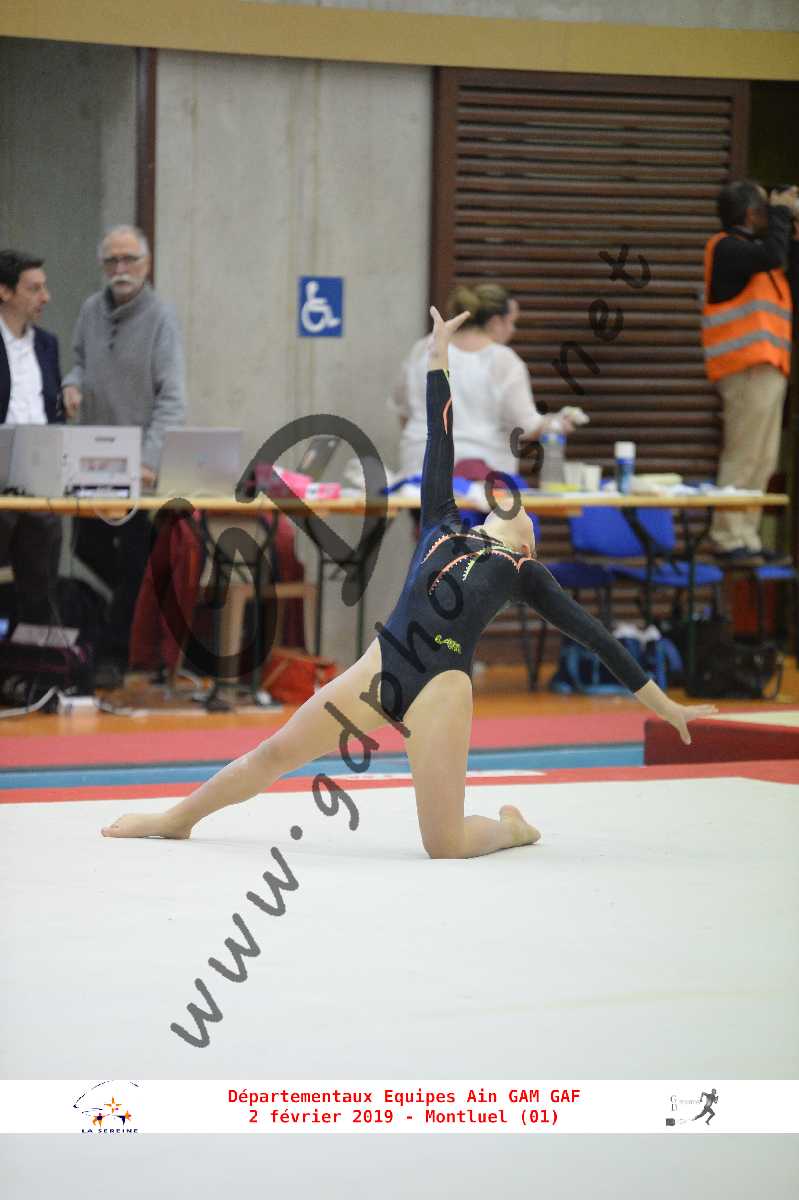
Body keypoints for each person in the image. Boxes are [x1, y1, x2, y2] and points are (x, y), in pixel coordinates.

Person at [102, 308, 716, 856]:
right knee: (275, 753)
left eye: (525, 510)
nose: (515, 502)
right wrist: (438, 354)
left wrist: (665, 706)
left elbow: (598, 639)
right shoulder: (443, 521)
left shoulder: (525, 573)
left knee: (444, 845)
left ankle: (513, 830)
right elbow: (438, 436)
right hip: (381, 666)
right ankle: (177, 818)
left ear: (529, 542)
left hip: (441, 690)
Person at [62, 224, 187, 684]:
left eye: (129, 259)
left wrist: (150, 461)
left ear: (146, 265)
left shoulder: (162, 318)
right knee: (85, 545)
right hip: (91, 459)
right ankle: (138, 607)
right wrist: (71, 385)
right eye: (111, 260)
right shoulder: (90, 310)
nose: (120, 268)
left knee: (134, 557)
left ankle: (114, 657)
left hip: (140, 469)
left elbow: (172, 398)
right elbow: (79, 361)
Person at [390, 282, 577, 480]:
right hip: (482, 473)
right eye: (511, 322)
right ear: (495, 322)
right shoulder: (504, 360)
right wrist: (557, 423)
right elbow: (527, 426)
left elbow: (403, 411)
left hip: (420, 469)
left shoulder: (423, 348)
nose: (513, 330)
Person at [703, 181, 799, 562]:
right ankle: (728, 537)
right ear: (751, 213)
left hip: (768, 368)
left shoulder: (759, 259)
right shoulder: (726, 247)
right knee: (743, 454)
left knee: (763, 458)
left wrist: (792, 230)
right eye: (765, 208)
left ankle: (748, 537)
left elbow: (783, 263)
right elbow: (772, 254)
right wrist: (782, 212)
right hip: (744, 370)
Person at [0, 249, 63, 626]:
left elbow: (52, 409)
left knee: (41, 580)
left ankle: (38, 653)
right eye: (34, 288)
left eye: (45, 287)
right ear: (5, 292)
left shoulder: (47, 344)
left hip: (40, 478)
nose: (46, 297)